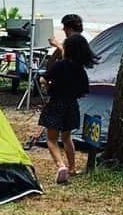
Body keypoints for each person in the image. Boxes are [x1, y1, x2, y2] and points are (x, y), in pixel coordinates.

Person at [38, 33, 97, 185]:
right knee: (67, 137)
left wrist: (47, 85)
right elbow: (83, 91)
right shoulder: (81, 71)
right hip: (72, 106)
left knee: (51, 139)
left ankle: (60, 165)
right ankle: (72, 167)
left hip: (56, 104)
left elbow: (44, 79)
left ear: (68, 50)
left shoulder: (60, 65)